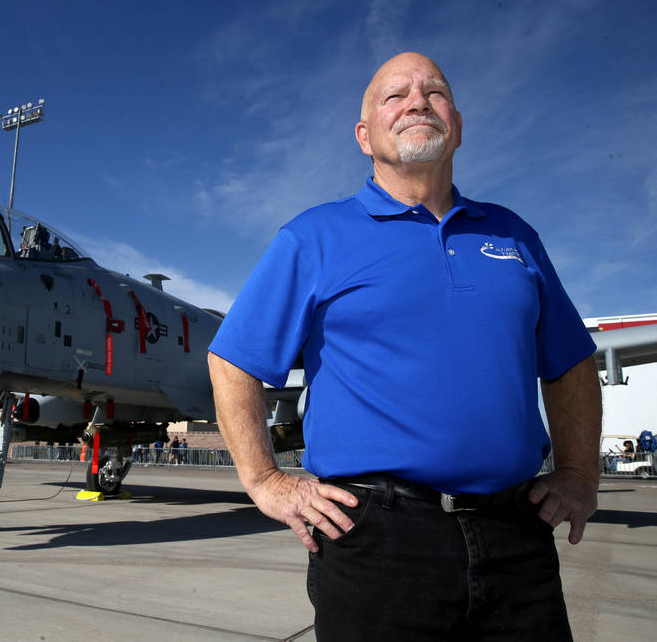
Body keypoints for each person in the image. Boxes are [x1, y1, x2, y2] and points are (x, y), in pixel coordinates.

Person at [208, 52, 602, 641]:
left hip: (515, 535)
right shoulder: (313, 237)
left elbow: (571, 364)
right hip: (376, 542)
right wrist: (266, 479)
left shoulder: (515, 236)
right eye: (395, 95)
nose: (417, 101)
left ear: (458, 126)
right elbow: (234, 360)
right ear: (365, 137)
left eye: (434, 92)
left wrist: (578, 474)